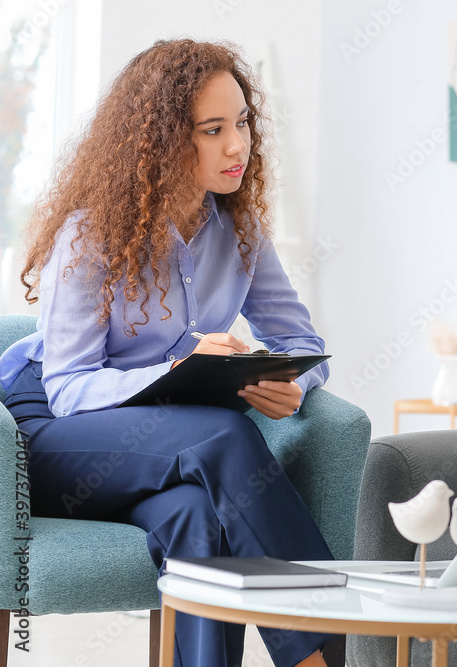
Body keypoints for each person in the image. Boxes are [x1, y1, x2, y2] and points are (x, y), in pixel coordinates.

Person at [0, 39, 336, 667]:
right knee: (223, 436)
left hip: (161, 451)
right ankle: (323, 655)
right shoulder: (90, 234)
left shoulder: (240, 232)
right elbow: (69, 388)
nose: (237, 145)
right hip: (46, 434)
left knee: (194, 516)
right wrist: (178, 370)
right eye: (213, 130)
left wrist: (293, 380)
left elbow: (304, 345)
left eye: (242, 124)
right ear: (156, 141)